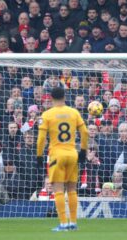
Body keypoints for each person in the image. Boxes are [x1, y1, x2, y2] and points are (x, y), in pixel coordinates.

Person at [36, 87, 88, 231]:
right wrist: (83, 150)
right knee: (72, 189)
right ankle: (73, 222)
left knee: (58, 190)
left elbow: (41, 139)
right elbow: (84, 131)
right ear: (64, 97)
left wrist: (39, 155)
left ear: (51, 98)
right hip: (72, 153)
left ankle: (63, 223)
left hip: (56, 154)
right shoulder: (74, 112)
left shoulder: (46, 114)